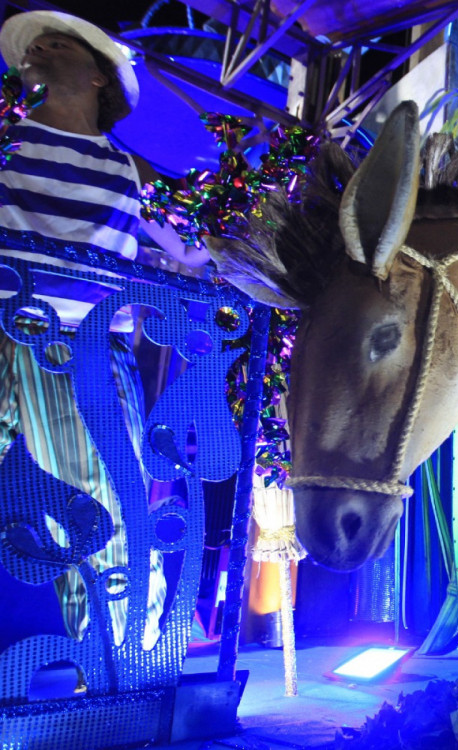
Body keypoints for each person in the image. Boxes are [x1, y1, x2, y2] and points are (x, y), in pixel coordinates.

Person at [0, 10, 207, 655]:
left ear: (97, 76)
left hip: (75, 346)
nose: (38, 47)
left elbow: (194, 252)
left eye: (58, 43)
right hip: (8, 326)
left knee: (104, 503)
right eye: (36, 44)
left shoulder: (125, 170)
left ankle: (120, 659)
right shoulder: (5, 141)